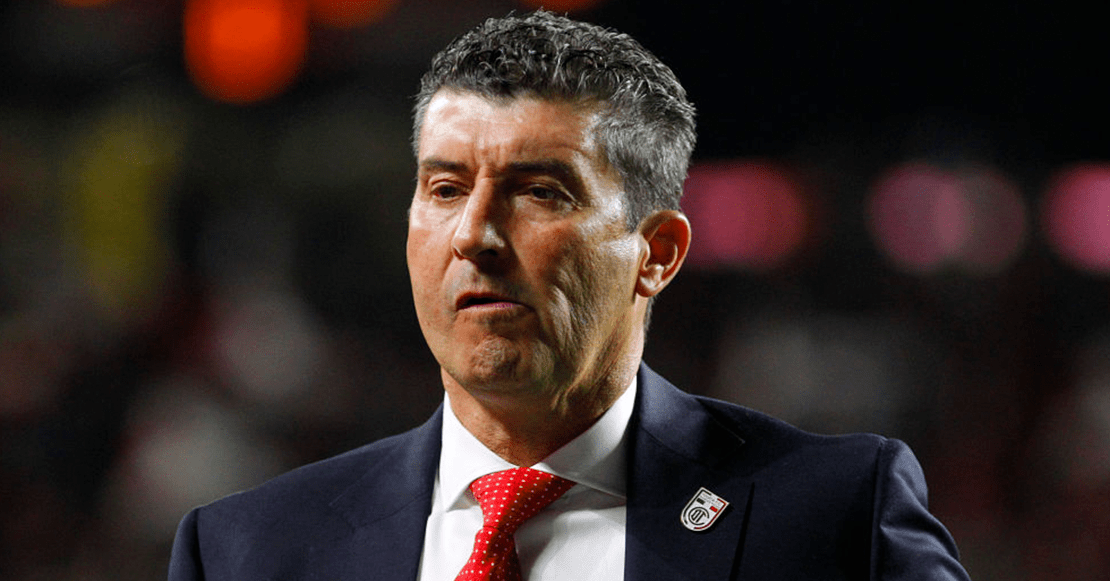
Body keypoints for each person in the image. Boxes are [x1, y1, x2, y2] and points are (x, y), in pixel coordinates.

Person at [168, 11, 971, 581]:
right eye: (445, 188)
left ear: (657, 254)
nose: (474, 234)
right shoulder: (245, 550)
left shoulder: (836, 516)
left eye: (539, 192)